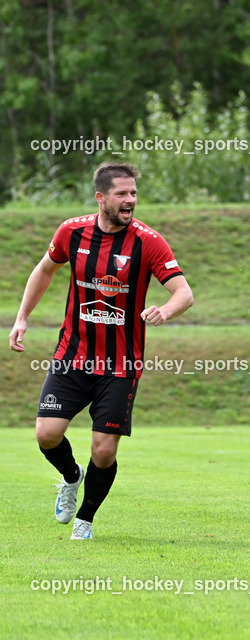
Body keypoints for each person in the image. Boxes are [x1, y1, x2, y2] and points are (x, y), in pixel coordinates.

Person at [8, 162, 193, 540]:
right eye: (122, 194)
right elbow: (44, 270)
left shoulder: (148, 241)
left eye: (134, 193)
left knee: (104, 451)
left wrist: (165, 310)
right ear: (101, 197)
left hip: (121, 364)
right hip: (72, 355)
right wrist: (22, 317)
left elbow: (184, 293)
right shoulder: (72, 232)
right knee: (47, 434)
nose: (130, 201)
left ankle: (85, 521)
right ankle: (71, 477)